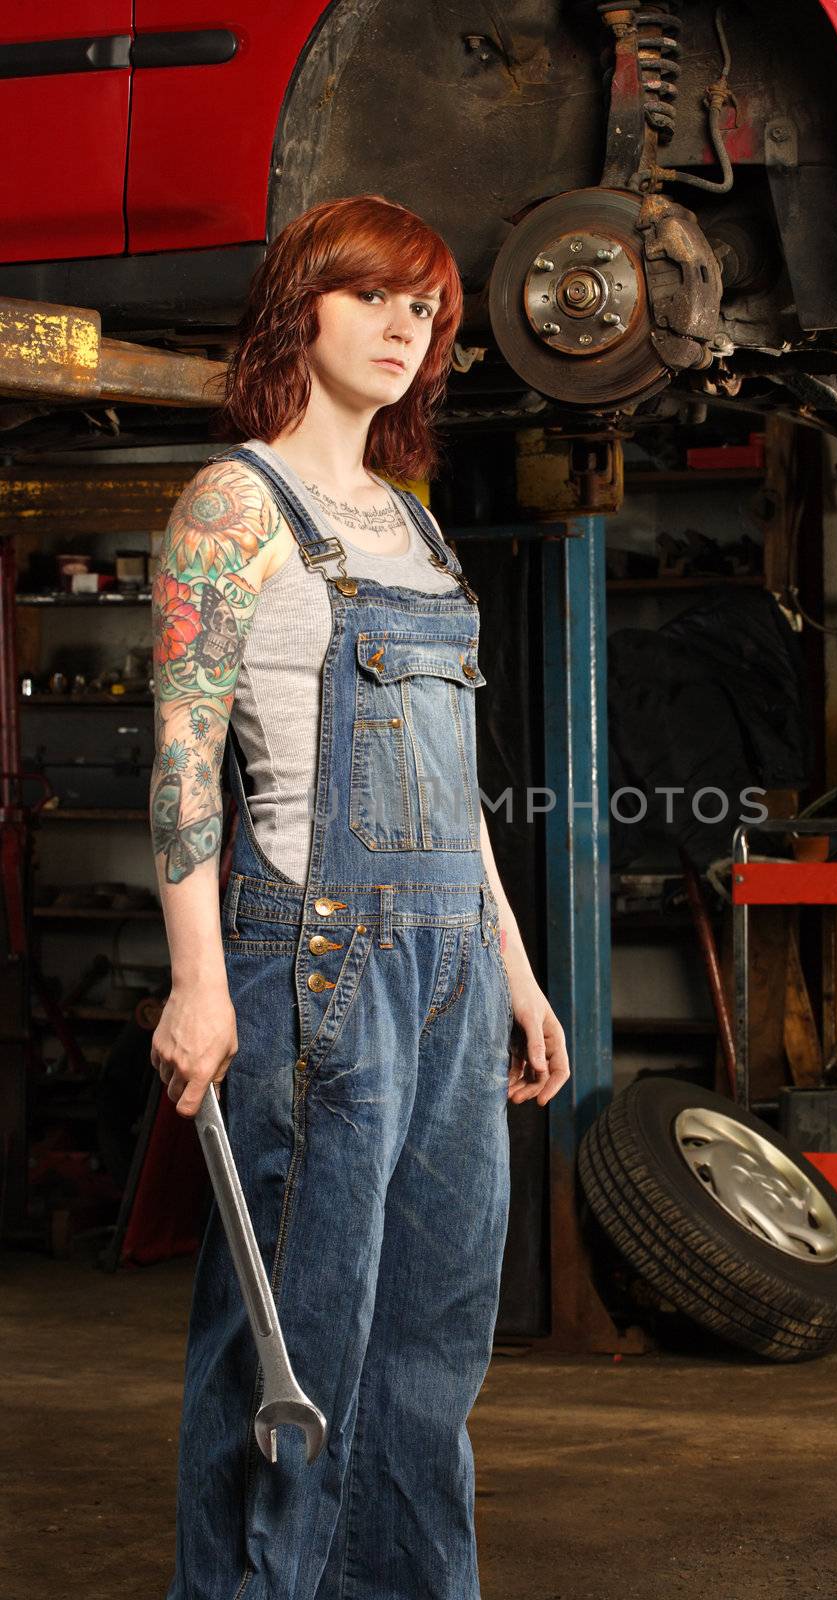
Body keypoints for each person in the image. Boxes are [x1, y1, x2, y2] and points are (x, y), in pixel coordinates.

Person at [149, 193, 570, 1600]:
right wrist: (200, 983)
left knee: (431, 1351)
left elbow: (450, 789)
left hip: (450, 964)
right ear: (302, 307)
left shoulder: (415, 523)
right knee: (296, 1344)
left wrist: (511, 966)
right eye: (378, 298)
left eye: (426, 312)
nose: (405, 330)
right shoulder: (232, 505)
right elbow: (182, 765)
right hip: (310, 964)